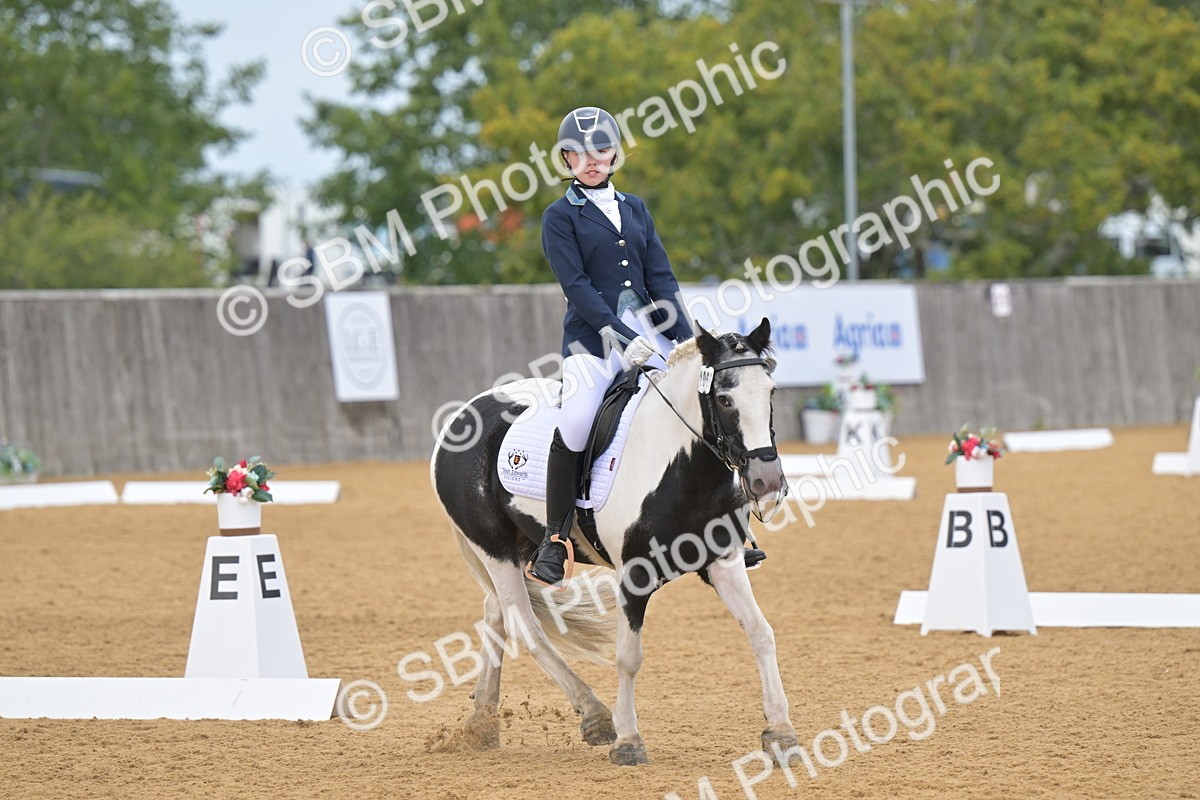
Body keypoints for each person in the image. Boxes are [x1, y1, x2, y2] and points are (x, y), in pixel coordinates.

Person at [525, 106, 695, 588]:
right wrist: (622, 337)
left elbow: (660, 276)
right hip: (591, 339)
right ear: (565, 159)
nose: (592, 160)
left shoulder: (637, 207)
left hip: (653, 330)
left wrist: (686, 338)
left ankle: (726, 524)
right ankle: (554, 539)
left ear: (617, 153)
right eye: (578, 154)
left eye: (602, 150)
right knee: (577, 419)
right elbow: (576, 286)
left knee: (703, 397)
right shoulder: (559, 217)